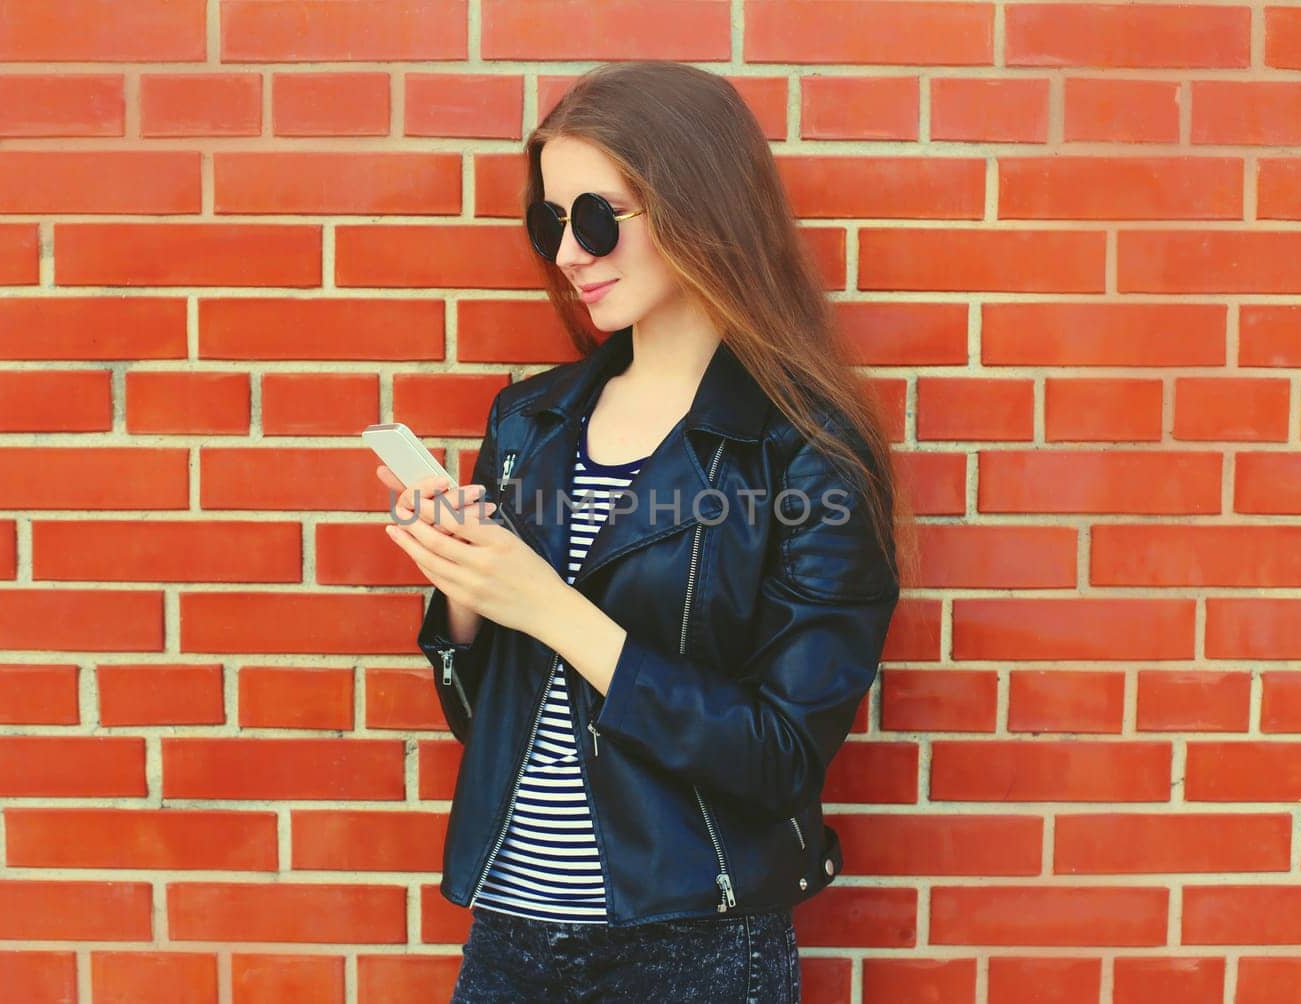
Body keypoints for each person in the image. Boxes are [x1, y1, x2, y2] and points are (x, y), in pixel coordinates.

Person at [379, 60, 912, 1004]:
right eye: (551, 224)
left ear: (701, 205)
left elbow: (779, 758)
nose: (569, 254)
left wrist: (546, 606)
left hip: (694, 950)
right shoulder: (528, 424)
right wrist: (465, 600)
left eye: (596, 218)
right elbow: (491, 718)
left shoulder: (804, 456)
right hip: (509, 939)